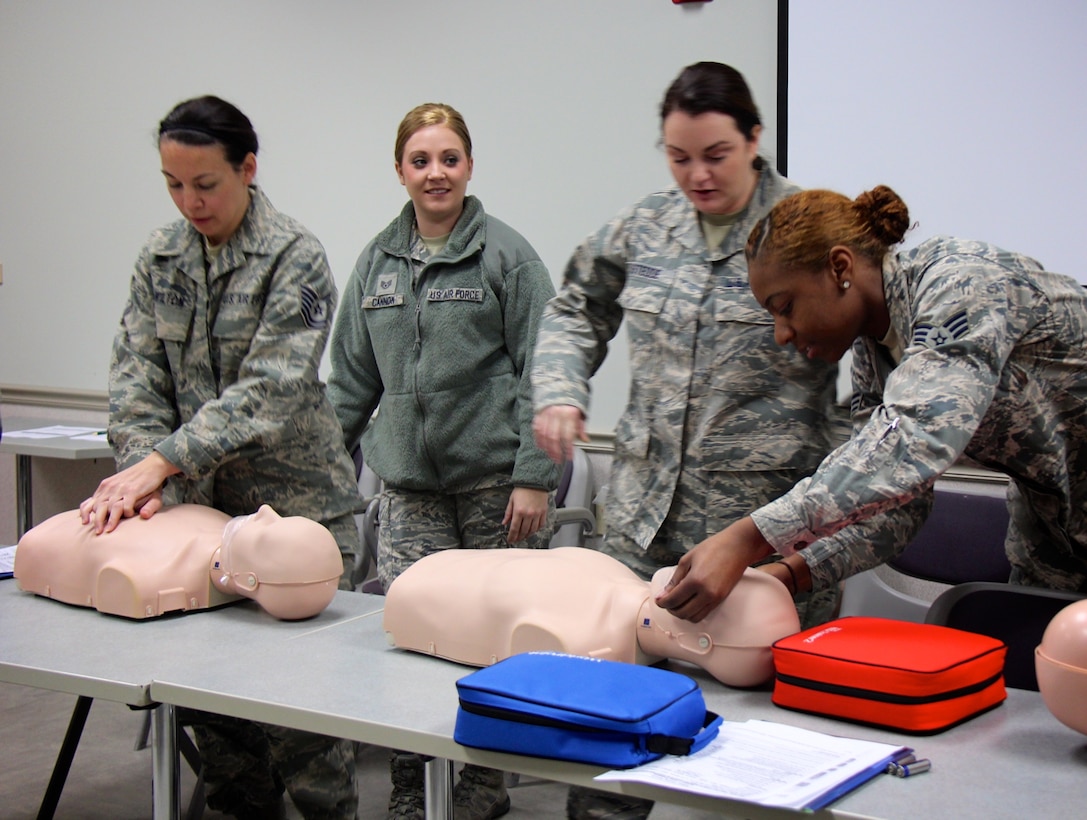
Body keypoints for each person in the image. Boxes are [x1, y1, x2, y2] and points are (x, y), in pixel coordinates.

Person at [530, 62, 839, 820]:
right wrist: (561, 389)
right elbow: (573, 308)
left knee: (764, 751)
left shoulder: (807, 230)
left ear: (754, 139)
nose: (695, 175)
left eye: (714, 155)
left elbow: (868, 370)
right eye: (677, 156)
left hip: (757, 540)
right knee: (608, 732)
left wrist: (824, 523)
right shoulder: (644, 225)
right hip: (640, 525)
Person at [79, 95, 362, 820]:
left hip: (298, 516)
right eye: (174, 184)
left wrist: (163, 460)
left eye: (205, 183)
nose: (189, 201)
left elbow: (270, 389)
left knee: (304, 723)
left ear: (248, 168)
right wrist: (145, 471)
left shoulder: (294, 256)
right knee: (219, 723)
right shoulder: (160, 255)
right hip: (198, 523)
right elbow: (136, 374)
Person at [657, 185, 1087, 625]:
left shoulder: (960, 282)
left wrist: (750, 537)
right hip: (1057, 537)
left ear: (839, 267)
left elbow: (916, 438)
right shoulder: (874, 353)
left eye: (785, 307)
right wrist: (787, 574)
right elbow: (897, 504)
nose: (781, 334)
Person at [327, 102, 558, 820]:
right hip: (409, 495)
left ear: (468, 166)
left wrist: (532, 476)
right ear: (400, 170)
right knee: (415, 644)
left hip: (496, 489)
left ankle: (481, 791)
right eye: (420, 160)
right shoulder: (376, 262)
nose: (436, 174)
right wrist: (316, 466)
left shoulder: (507, 257)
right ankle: (410, 791)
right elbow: (350, 383)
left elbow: (543, 375)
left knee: (493, 648)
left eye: (448, 159)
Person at [383, 547, 801, 689]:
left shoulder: (581, 640)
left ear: (701, 644)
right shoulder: (611, 584)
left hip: (431, 588)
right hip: (426, 587)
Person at [15, 504, 345, 621]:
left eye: (265, 533)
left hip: (58, 539)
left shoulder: (155, 575)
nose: (264, 511)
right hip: (91, 520)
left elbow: (118, 582)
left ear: (249, 582)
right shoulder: (215, 519)